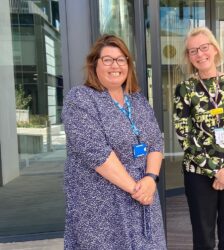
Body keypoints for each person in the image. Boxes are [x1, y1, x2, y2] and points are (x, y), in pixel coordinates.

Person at [62, 34, 166, 250]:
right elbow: (96, 152)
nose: (115, 66)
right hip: (103, 209)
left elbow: (156, 142)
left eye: (121, 59)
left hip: (144, 201)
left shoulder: (138, 99)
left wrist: (150, 178)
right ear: (95, 64)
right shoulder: (80, 99)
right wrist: (137, 189)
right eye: (107, 60)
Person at [173, 27, 224, 250]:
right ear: (188, 57)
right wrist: (216, 171)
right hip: (199, 173)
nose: (199, 54)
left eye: (204, 47)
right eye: (192, 51)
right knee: (203, 240)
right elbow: (184, 136)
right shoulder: (185, 89)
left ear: (215, 49)